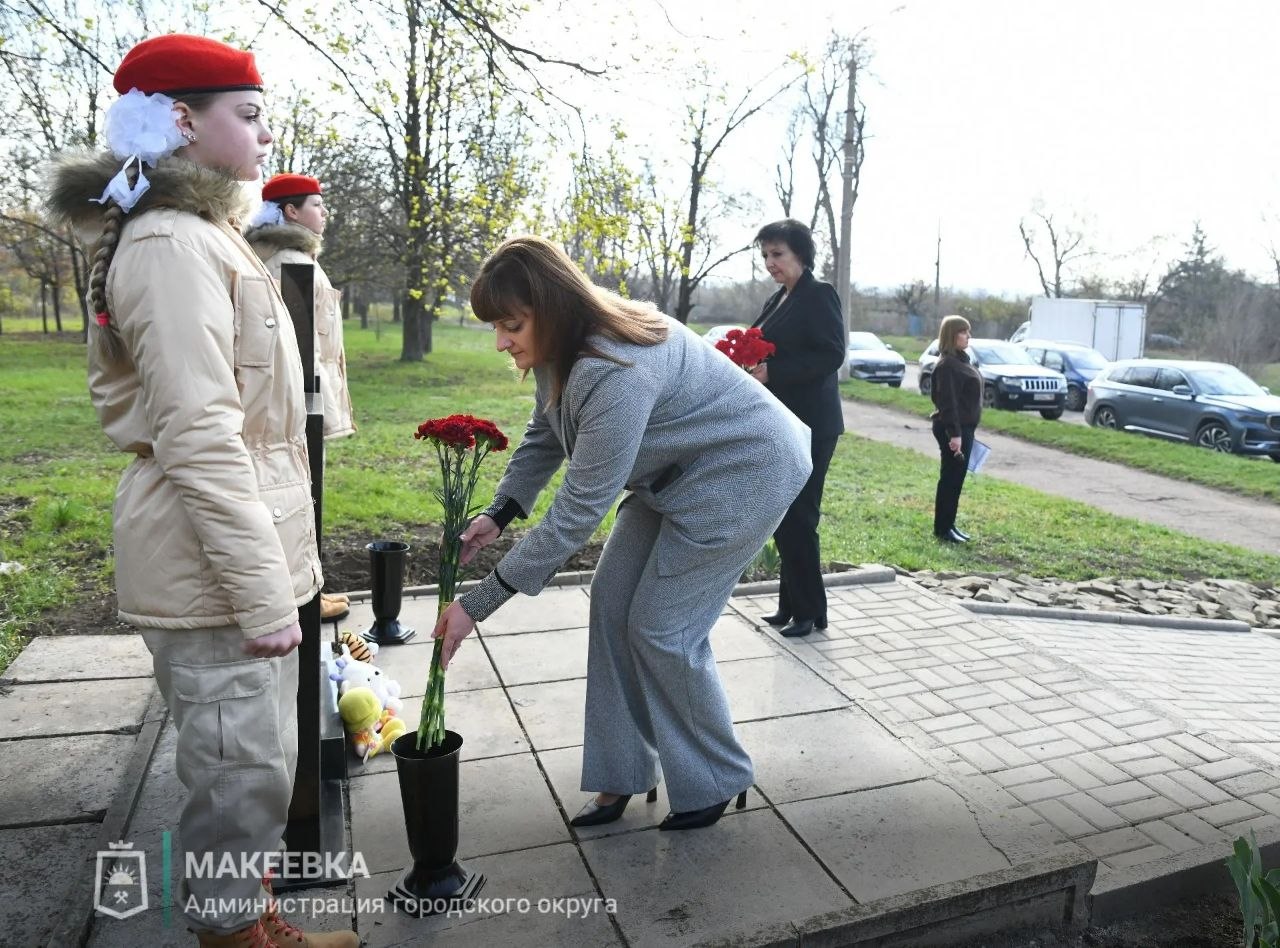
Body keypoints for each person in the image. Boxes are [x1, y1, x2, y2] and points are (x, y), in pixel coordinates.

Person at [47, 34, 355, 948]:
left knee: (252, 766)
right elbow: (201, 434)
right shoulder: (171, 245)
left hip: (229, 548)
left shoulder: (204, 233)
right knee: (237, 770)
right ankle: (230, 935)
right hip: (207, 558)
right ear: (181, 121)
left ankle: (246, 915)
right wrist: (267, 591)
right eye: (249, 116)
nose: (265, 136)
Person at [432, 236, 812, 831]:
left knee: (662, 630)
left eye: (510, 325)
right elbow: (545, 428)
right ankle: (620, 775)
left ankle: (715, 776)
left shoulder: (617, 369)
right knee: (611, 607)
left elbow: (580, 509)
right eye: (497, 327)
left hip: (744, 472)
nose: (501, 341)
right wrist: (500, 512)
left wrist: (478, 604)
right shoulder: (563, 345)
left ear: (551, 307)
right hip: (670, 473)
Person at [246, 173, 355, 623]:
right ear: (291, 212)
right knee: (302, 499)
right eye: (316, 204)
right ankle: (305, 597)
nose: (323, 212)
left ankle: (310, 589)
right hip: (301, 404)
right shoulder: (292, 263)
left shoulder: (288, 258)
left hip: (302, 401)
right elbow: (299, 346)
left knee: (303, 497)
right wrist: (311, 408)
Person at [748, 219, 846, 638]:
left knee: (800, 517)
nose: (771, 262)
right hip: (783, 424)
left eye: (778, 254)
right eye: (766, 255)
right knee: (785, 513)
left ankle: (809, 612)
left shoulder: (819, 295)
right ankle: (792, 606)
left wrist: (774, 372)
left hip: (814, 425)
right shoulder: (776, 300)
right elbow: (756, 339)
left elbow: (831, 355)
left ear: (800, 255)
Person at [930, 315, 982, 543]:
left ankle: (949, 524)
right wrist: (955, 435)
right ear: (952, 335)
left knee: (957, 479)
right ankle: (943, 528)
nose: (968, 336)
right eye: (963, 332)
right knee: (950, 478)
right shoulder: (947, 365)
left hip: (964, 428)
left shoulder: (961, 360)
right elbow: (947, 403)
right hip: (954, 430)